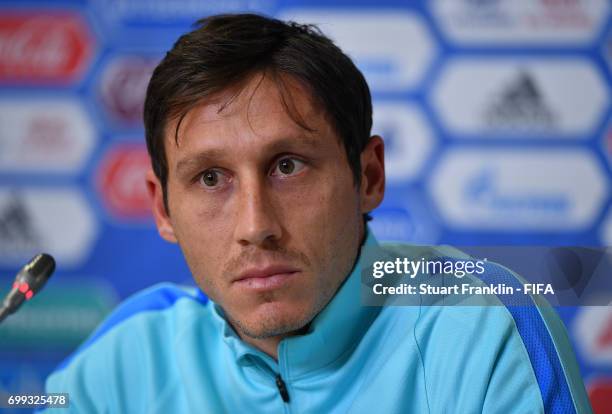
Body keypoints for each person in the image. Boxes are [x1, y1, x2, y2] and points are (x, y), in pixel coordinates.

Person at [44, 13, 592, 413]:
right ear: (163, 209)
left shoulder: (485, 326)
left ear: (369, 177)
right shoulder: (124, 357)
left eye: (288, 166)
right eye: (211, 179)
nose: (255, 226)